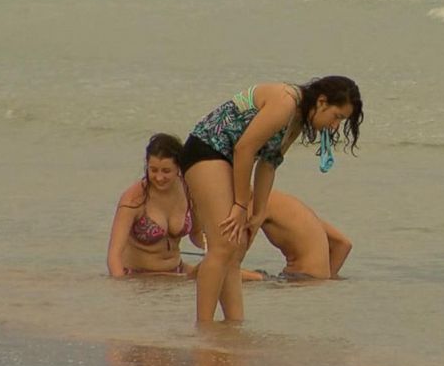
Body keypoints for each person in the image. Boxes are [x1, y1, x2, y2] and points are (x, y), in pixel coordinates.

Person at [180, 76, 363, 322]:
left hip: (228, 159)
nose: (335, 127)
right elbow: (244, 148)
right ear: (321, 102)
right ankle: (204, 326)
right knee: (222, 245)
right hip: (206, 149)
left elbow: (269, 163)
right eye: (337, 117)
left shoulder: (297, 119)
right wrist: (240, 205)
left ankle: (234, 324)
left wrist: (258, 212)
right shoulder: (285, 101)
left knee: (236, 247)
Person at [107, 133, 203, 277]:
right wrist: (120, 288)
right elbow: (114, 256)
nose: (159, 177)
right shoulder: (134, 199)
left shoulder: (188, 190)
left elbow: (196, 234)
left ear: (179, 167)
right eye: (153, 170)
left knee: (230, 274)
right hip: (140, 277)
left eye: (166, 171)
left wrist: (218, 250)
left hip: (177, 271)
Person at [240, 190, 352, 282]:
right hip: (312, 281)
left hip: (301, 278)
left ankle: (260, 278)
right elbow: (343, 245)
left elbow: (232, 257)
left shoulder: (257, 204)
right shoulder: (286, 202)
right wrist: (325, 281)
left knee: (228, 273)